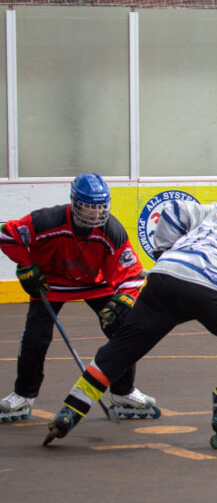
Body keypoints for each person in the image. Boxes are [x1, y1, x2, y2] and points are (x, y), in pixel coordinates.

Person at [43, 174, 217, 446]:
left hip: (165, 275)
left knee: (123, 346)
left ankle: (71, 409)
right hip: (205, 283)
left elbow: (173, 211)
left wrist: (165, 253)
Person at [0, 173, 153, 422]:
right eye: (89, 207)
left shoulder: (112, 230)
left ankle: (123, 392)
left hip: (96, 284)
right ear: (75, 203)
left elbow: (130, 272)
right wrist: (25, 265)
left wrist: (123, 300)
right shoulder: (46, 221)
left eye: (100, 207)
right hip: (50, 284)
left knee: (123, 331)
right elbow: (7, 234)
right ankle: (23, 395)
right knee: (35, 338)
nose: (96, 213)